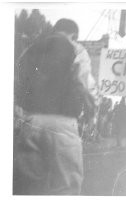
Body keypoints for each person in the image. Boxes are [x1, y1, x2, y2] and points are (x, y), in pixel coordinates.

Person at [13, 19, 96, 195]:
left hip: (30, 121)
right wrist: (92, 111)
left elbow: (17, 81)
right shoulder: (76, 49)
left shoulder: (30, 49)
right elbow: (85, 84)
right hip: (63, 123)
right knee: (66, 185)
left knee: (27, 187)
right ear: (74, 35)